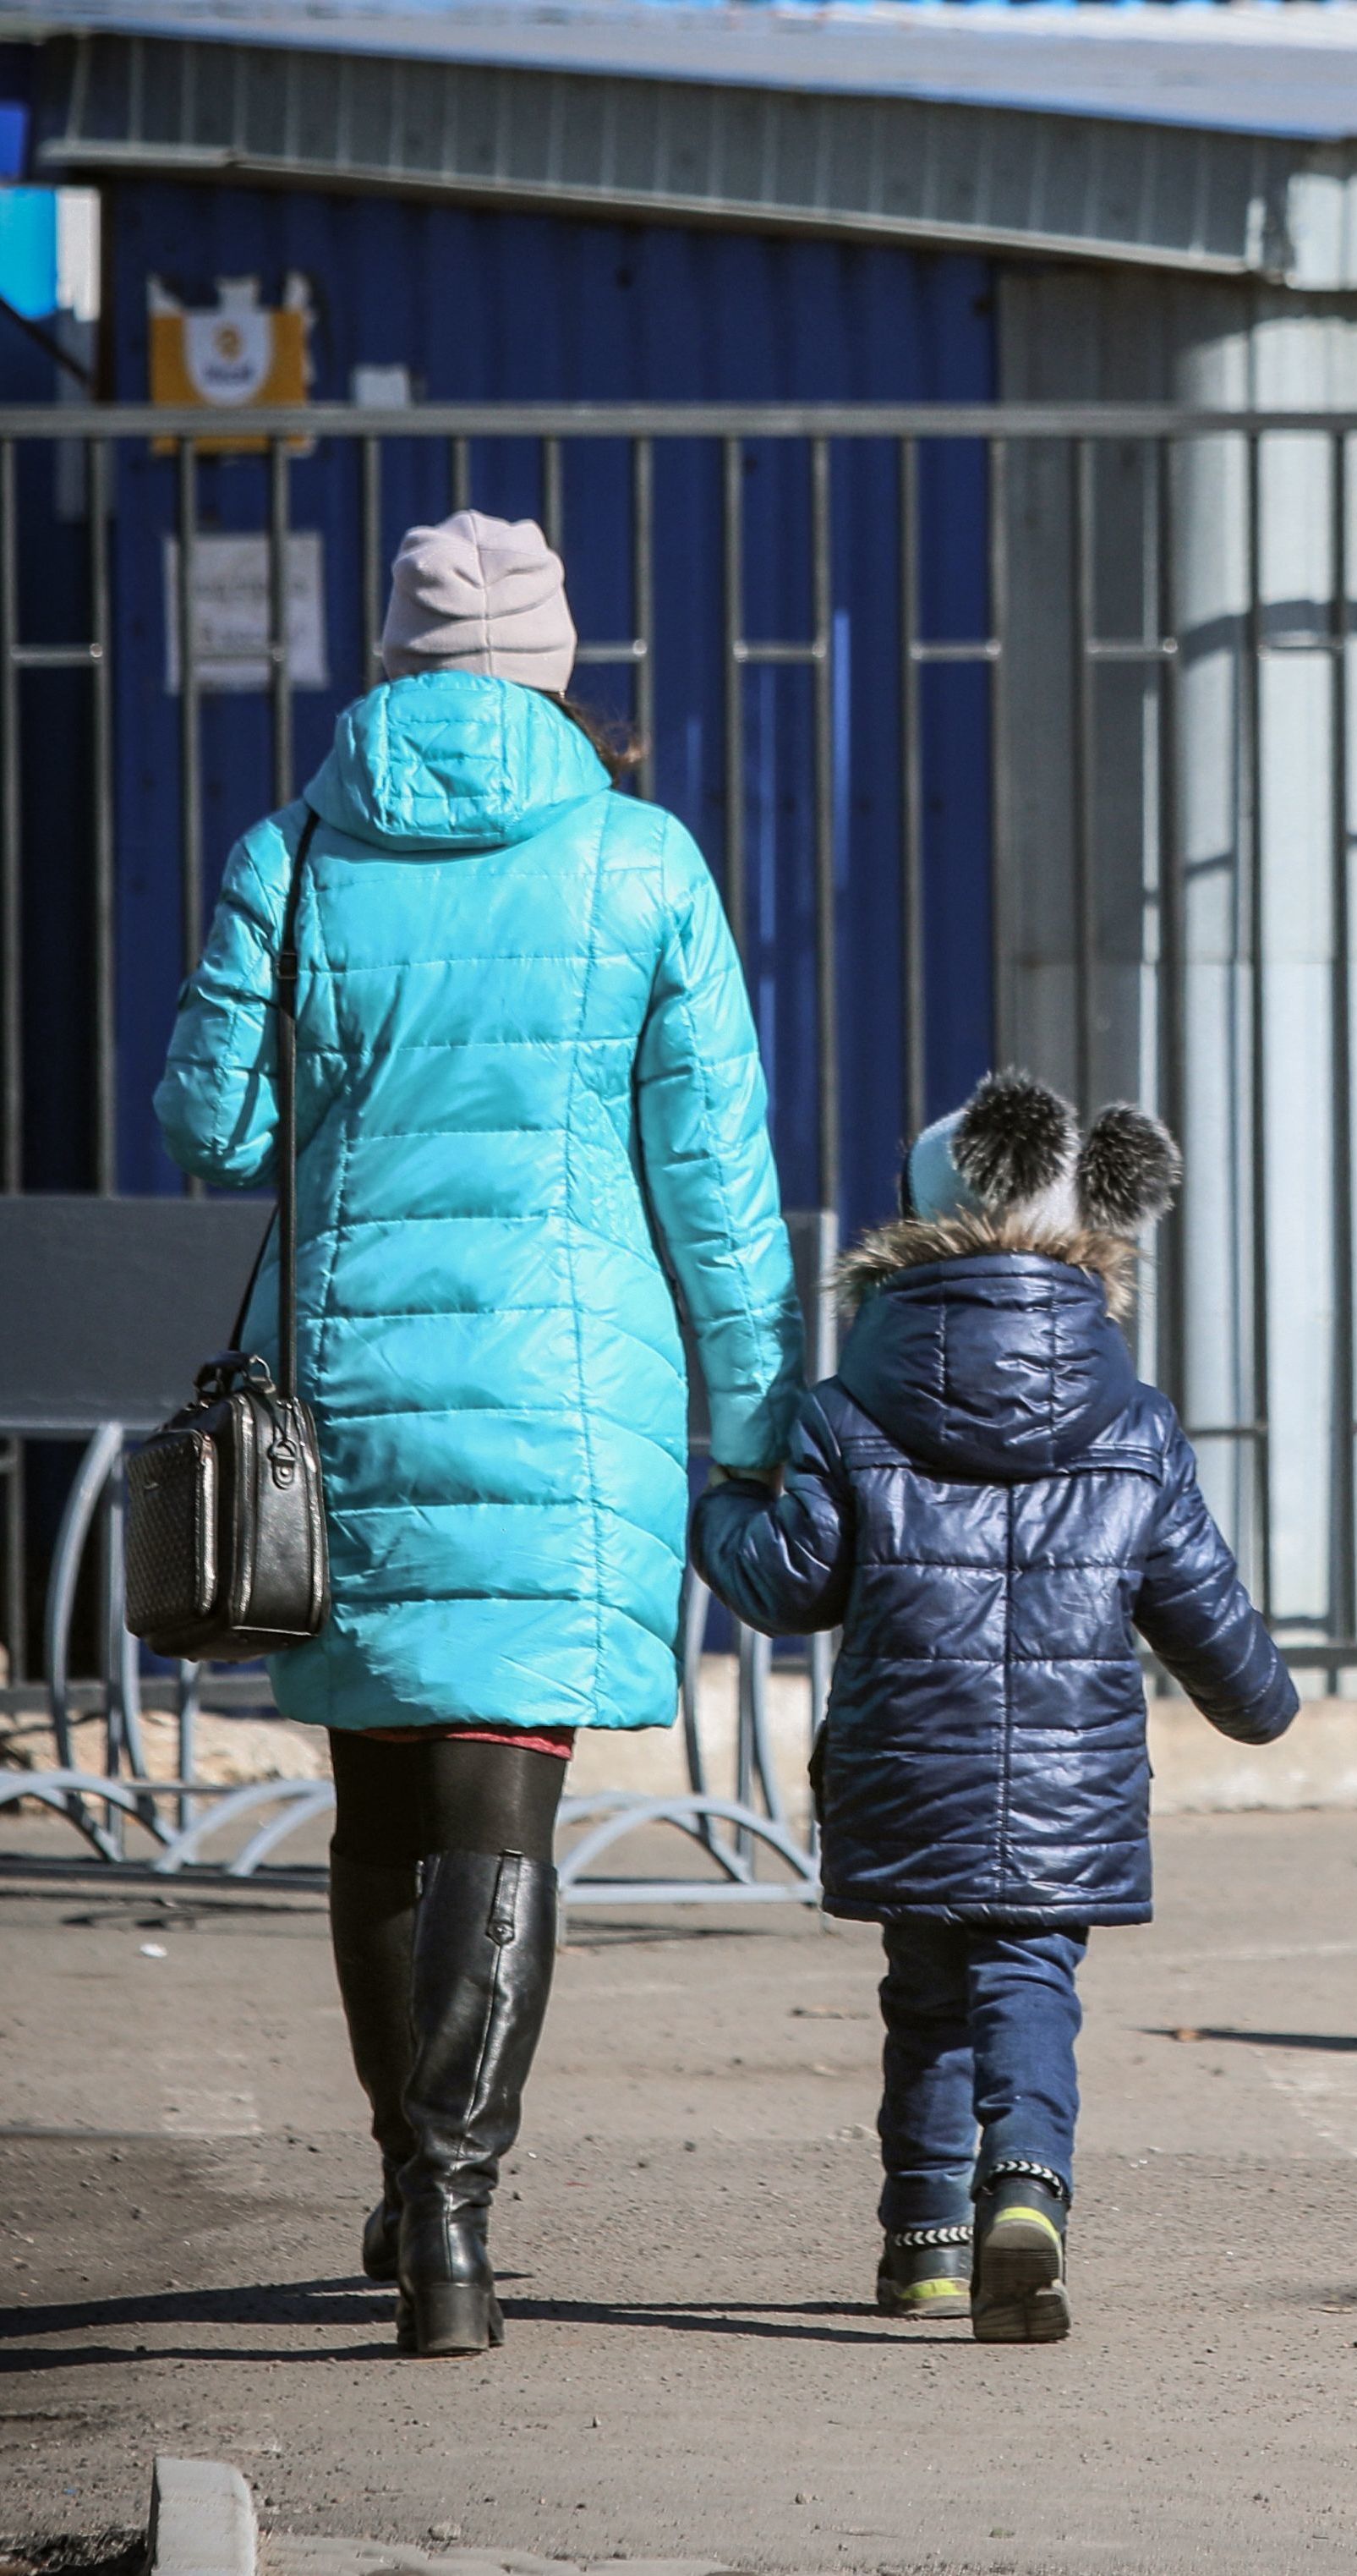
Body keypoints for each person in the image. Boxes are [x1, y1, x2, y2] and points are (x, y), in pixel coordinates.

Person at [156, 510, 800, 2359]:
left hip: (349, 1387)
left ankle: (404, 2175)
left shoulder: (293, 851)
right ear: (557, 668)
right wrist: (749, 1424)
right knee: (502, 1802)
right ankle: (456, 2213)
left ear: (392, 660)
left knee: (375, 1812)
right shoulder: (642, 863)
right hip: (572, 1395)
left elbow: (215, 1119)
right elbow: (718, 1189)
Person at [691, 1068, 1296, 2343]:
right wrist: (1259, 1701)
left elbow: (788, 1585)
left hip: (904, 1771)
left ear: (908, 1234)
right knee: (1029, 1976)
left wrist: (717, 1504)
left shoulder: (848, 1411)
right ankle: (1023, 2186)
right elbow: (1202, 1608)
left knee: (923, 1993)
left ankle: (922, 2246)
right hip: (1069, 1789)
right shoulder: (1133, 1423)